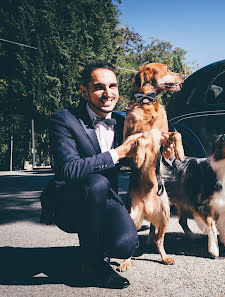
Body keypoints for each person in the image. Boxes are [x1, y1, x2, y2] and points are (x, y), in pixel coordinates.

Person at [47, 60, 173, 288]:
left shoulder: (127, 119)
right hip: (71, 201)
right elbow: (68, 169)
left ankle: (98, 244)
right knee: (95, 183)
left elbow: (147, 155)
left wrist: (166, 151)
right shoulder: (64, 120)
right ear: (84, 91)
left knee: (126, 245)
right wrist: (117, 153)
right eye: (99, 87)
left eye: (112, 86)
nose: (108, 93)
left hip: (107, 198)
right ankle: (93, 265)